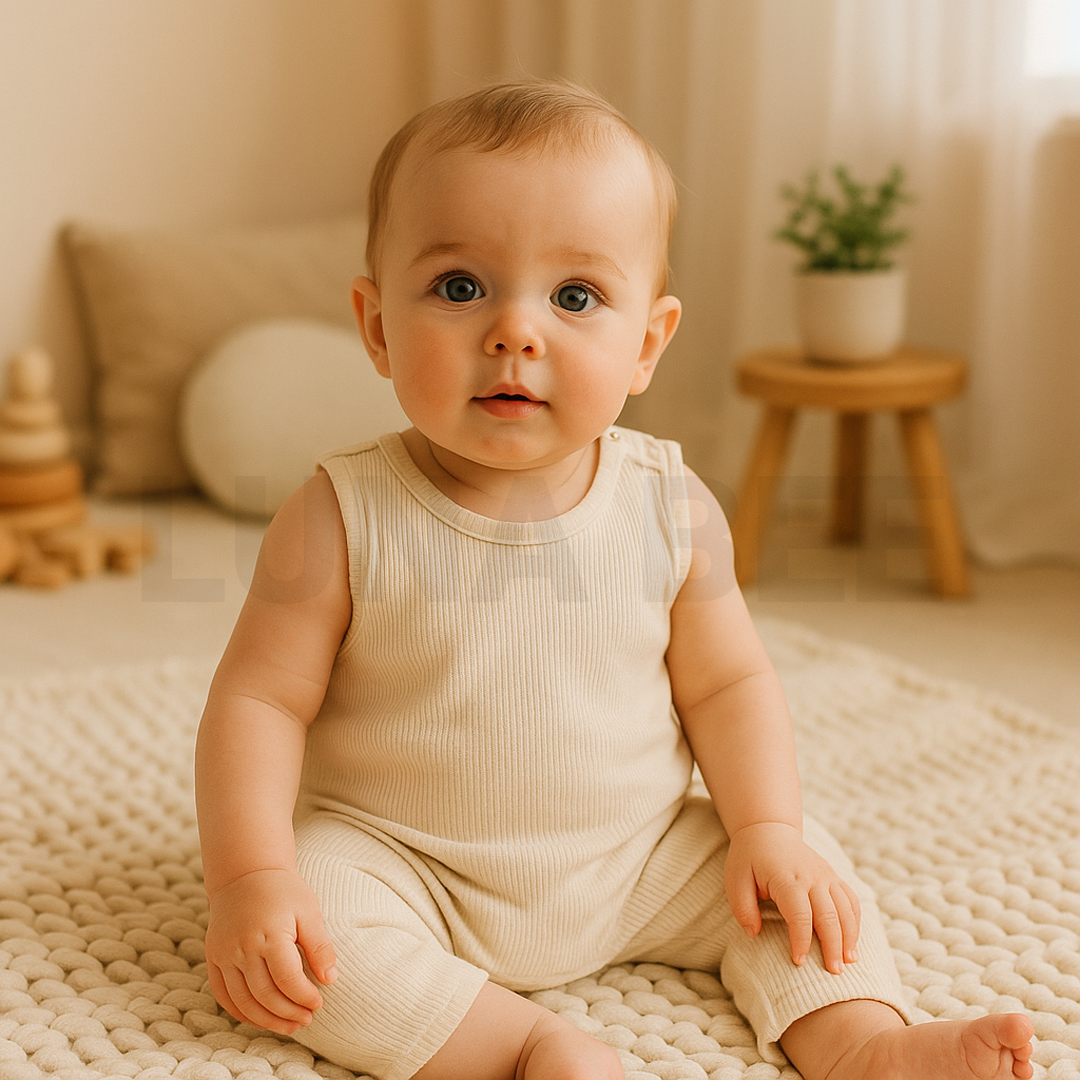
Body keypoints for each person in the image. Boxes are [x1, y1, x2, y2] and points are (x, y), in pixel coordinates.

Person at [195, 80, 1035, 1080]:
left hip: (637, 860)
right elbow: (255, 702)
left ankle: (862, 1043)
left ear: (646, 343)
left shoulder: (669, 505)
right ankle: (524, 1048)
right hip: (409, 863)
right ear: (375, 327)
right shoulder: (339, 514)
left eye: (576, 296)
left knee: (802, 874)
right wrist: (251, 880)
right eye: (459, 287)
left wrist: (764, 828)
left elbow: (728, 686)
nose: (516, 331)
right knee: (305, 950)